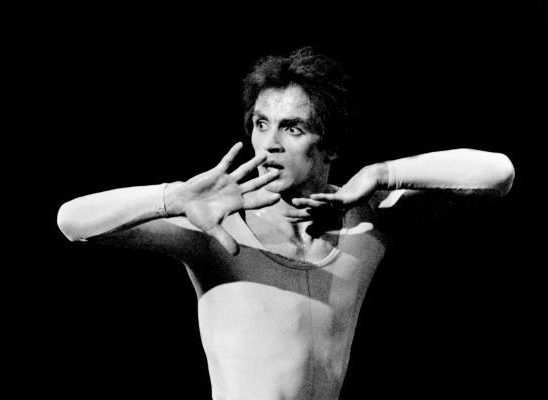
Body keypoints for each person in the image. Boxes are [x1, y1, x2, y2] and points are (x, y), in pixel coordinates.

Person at [57, 47, 515, 400]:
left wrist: (382, 174)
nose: (268, 144)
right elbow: (72, 221)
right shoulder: (217, 229)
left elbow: (498, 174)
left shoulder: (365, 223)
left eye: (292, 128)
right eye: (261, 124)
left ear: (331, 145)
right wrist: (171, 197)